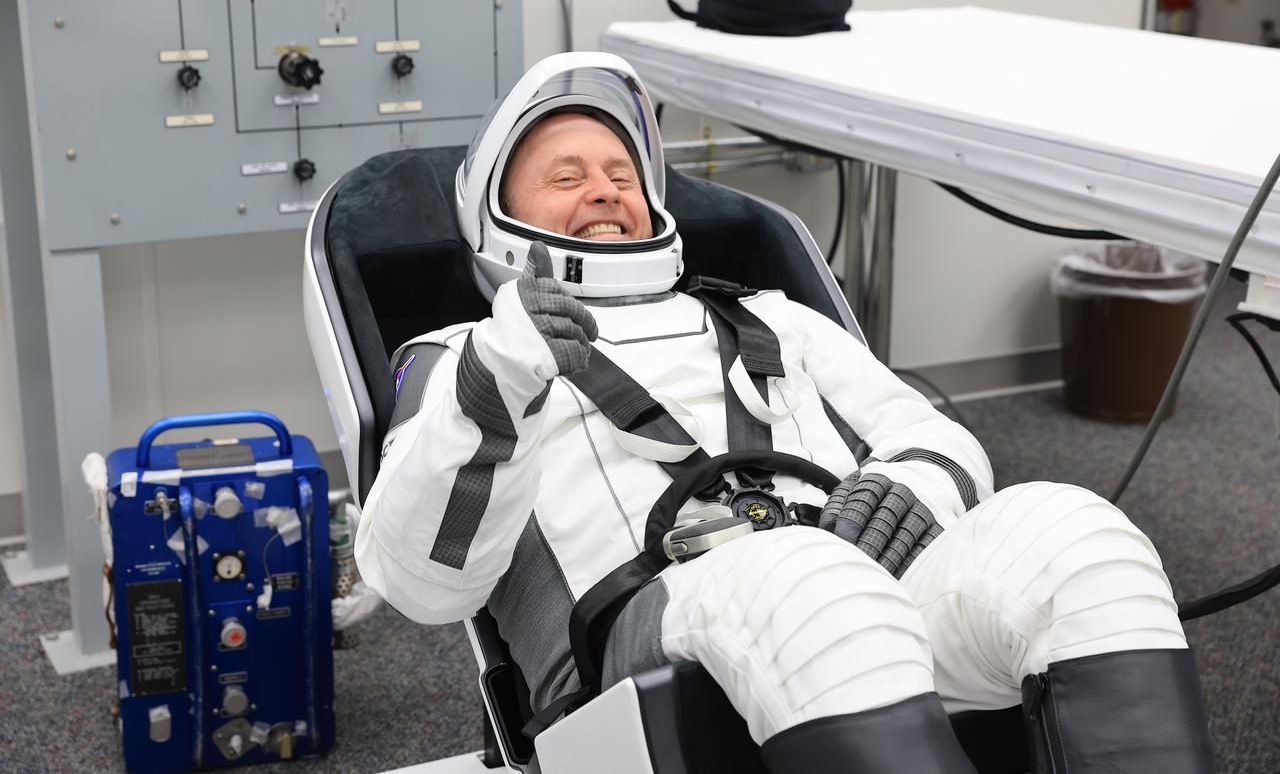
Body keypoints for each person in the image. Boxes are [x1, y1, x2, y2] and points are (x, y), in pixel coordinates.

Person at [356, 53, 1214, 773]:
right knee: (803, 581)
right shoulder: (464, 357)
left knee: (1075, 537)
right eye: (567, 176)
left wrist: (908, 490)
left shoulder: (768, 313)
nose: (606, 190)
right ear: (497, 216)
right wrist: (497, 383)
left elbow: (929, 433)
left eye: (621, 174)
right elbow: (425, 584)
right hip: (642, 644)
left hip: (857, 584)